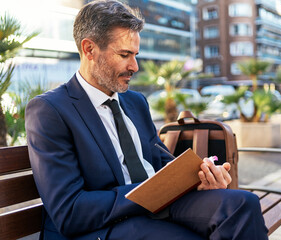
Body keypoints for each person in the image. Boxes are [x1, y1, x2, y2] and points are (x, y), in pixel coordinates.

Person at [25, 1, 268, 239]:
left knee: (243, 205)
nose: (135, 66)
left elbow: (163, 164)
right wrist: (146, 194)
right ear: (89, 49)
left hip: (157, 205)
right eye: (124, 54)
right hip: (105, 225)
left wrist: (200, 177)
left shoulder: (135, 102)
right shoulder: (49, 110)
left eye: (135, 55)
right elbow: (69, 211)